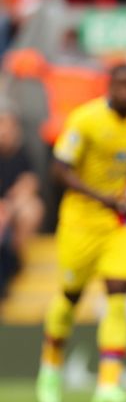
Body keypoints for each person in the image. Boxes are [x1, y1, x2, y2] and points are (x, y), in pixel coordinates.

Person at [35, 64, 126, 402]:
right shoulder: (84, 120)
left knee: (118, 297)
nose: (125, 91)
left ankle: (108, 385)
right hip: (81, 222)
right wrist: (102, 196)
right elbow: (59, 169)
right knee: (70, 296)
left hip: (121, 223)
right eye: (119, 85)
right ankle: (50, 366)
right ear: (108, 87)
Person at [0, 109, 44, 298]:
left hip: (11, 211)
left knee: (31, 209)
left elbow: (29, 183)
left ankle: (14, 258)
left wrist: (9, 206)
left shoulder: (22, 153)